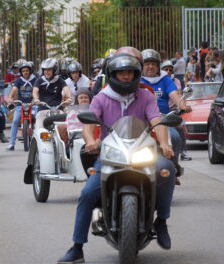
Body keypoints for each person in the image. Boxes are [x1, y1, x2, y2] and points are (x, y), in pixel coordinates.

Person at [57, 53, 177, 263]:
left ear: (135, 74)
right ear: (112, 74)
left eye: (129, 72)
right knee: (86, 193)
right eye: (121, 72)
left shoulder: (145, 96)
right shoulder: (102, 97)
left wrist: (165, 144)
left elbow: (158, 121)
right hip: (110, 155)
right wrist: (90, 141)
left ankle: (162, 221)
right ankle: (77, 247)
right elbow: (89, 125)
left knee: (167, 169)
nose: (125, 76)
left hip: (142, 152)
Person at [140, 49, 192, 184]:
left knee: (174, 137)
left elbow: (174, 94)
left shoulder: (165, 79)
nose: (150, 66)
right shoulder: (137, 79)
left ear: (158, 66)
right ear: (141, 65)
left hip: (163, 118)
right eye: (147, 64)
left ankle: (172, 168)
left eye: (153, 64)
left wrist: (182, 105)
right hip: (140, 120)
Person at [32, 58, 72, 129]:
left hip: (58, 110)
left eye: (49, 70)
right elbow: (35, 90)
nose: (47, 72)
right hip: (43, 110)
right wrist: (36, 99)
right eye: (45, 70)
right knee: (39, 129)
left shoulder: (60, 80)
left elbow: (66, 90)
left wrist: (70, 98)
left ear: (55, 70)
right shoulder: (39, 80)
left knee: (66, 129)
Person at [6, 62, 37, 151]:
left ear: (30, 71)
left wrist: (36, 100)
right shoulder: (19, 80)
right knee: (15, 121)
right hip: (21, 105)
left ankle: (39, 140)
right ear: (21, 72)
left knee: (38, 118)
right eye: (23, 71)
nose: (25, 72)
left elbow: (37, 90)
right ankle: (11, 144)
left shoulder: (35, 79)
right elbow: (14, 89)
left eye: (27, 70)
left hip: (33, 105)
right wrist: (10, 98)